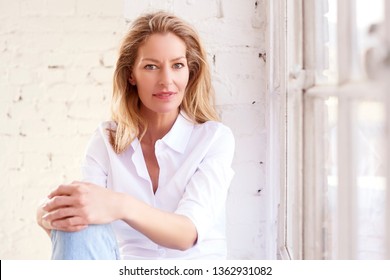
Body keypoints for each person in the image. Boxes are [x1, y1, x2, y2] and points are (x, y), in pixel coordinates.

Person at [36, 11, 235, 260]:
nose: (167, 80)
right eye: (151, 66)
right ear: (131, 74)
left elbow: (187, 234)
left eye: (177, 65)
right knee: (78, 228)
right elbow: (85, 218)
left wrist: (119, 205)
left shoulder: (214, 139)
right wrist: (47, 212)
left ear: (190, 72)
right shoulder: (106, 139)